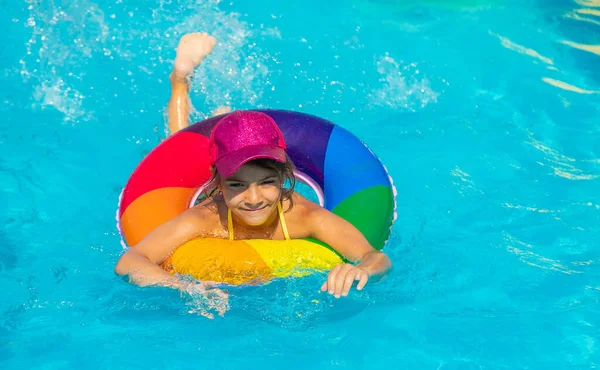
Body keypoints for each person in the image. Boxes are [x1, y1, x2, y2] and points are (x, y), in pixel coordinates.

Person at [114, 32, 392, 310]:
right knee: (175, 144)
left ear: (286, 176)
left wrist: (362, 270)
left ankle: (196, 95)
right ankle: (180, 82)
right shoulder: (206, 217)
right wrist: (183, 287)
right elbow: (130, 261)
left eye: (267, 182)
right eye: (236, 185)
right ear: (218, 183)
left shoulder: (304, 215)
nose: (254, 198)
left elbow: (375, 257)